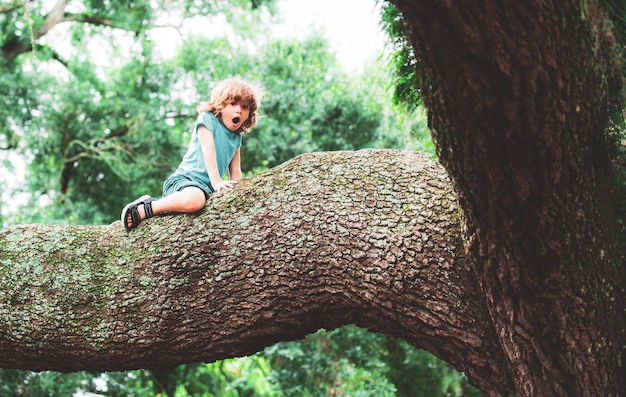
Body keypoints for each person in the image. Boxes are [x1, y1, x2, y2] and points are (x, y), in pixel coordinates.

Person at [121, 77, 262, 231]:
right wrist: (217, 183)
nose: (239, 110)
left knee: (198, 199)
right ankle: (147, 207)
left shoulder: (236, 136)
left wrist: (239, 192)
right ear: (221, 105)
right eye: (233, 104)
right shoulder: (208, 119)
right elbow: (209, 151)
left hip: (204, 190)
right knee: (196, 200)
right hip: (185, 180)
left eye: (245, 107)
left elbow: (235, 170)